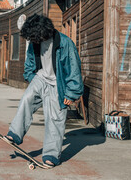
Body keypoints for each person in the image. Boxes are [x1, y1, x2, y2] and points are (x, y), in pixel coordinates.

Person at [5, 13, 83, 167]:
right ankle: (15, 133)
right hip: (40, 78)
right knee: (27, 99)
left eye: (35, 38)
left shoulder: (65, 43)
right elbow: (29, 63)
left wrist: (71, 93)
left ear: (42, 33)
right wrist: (30, 77)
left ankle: (51, 154)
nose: (33, 41)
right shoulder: (34, 41)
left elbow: (74, 69)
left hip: (58, 84)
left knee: (55, 118)